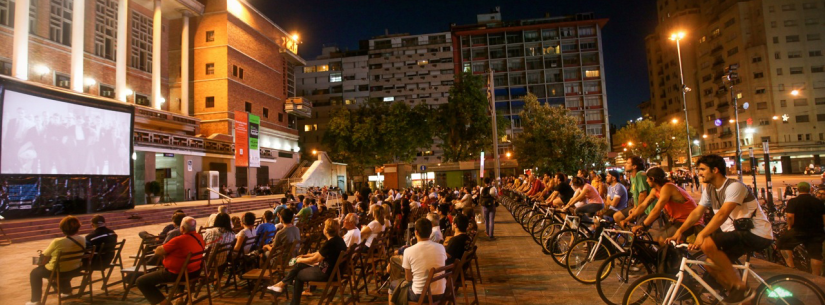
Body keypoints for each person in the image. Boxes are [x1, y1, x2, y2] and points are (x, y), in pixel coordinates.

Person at [665, 154, 773, 304]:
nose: (699, 173)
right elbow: (697, 212)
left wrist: (702, 234)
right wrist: (680, 231)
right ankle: (740, 295)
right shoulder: (710, 189)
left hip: (756, 233)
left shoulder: (734, 186)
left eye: (702, 169)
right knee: (710, 264)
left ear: (715, 170)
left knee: (707, 243)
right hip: (737, 233)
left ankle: (741, 288)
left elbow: (722, 214)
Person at [267, 218, 347, 305]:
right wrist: (305, 256)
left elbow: (315, 259)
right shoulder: (338, 240)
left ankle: (292, 299)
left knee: (298, 275)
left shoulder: (330, 243)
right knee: (300, 266)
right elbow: (319, 253)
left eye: (324, 227)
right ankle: (281, 284)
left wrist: (299, 259)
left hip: (326, 273)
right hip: (333, 271)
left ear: (327, 230)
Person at [136, 217, 205, 305]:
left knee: (141, 281)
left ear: (182, 228)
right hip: (195, 271)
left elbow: (159, 251)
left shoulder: (179, 240)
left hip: (177, 274)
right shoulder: (199, 237)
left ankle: (165, 303)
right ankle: (179, 295)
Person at [630, 167, 704, 245]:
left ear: (652, 179)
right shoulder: (655, 190)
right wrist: (628, 218)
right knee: (656, 239)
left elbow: (656, 210)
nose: (646, 181)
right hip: (677, 220)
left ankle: (678, 256)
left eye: (647, 179)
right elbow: (643, 205)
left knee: (663, 240)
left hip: (689, 221)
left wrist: (643, 225)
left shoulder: (667, 187)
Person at [28, 216, 86, 305]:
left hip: (58, 271)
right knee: (63, 264)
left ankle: (35, 300)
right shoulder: (82, 239)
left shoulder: (57, 242)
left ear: (62, 229)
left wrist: (40, 262)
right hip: (75, 269)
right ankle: (66, 291)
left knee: (35, 273)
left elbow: (44, 256)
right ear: (78, 228)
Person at [777, 182, 825, 275]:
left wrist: (790, 227)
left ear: (798, 190)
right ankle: (816, 275)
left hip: (799, 230)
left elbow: (790, 216)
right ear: (810, 189)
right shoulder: (818, 202)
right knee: (816, 254)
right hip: (816, 231)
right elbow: (824, 217)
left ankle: (791, 267)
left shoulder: (793, 201)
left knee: (782, 243)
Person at [394, 218, 447, 302]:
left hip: (420, 294)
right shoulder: (441, 247)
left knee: (393, 286)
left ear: (416, 233)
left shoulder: (408, 251)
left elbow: (408, 278)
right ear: (430, 232)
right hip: (441, 292)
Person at [613, 156, 651, 224]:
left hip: (646, 209)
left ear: (634, 166)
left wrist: (636, 210)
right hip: (638, 207)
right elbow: (635, 196)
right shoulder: (632, 177)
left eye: (627, 163)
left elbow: (642, 195)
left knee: (635, 227)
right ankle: (630, 233)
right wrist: (634, 207)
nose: (625, 165)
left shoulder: (640, 174)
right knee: (617, 216)